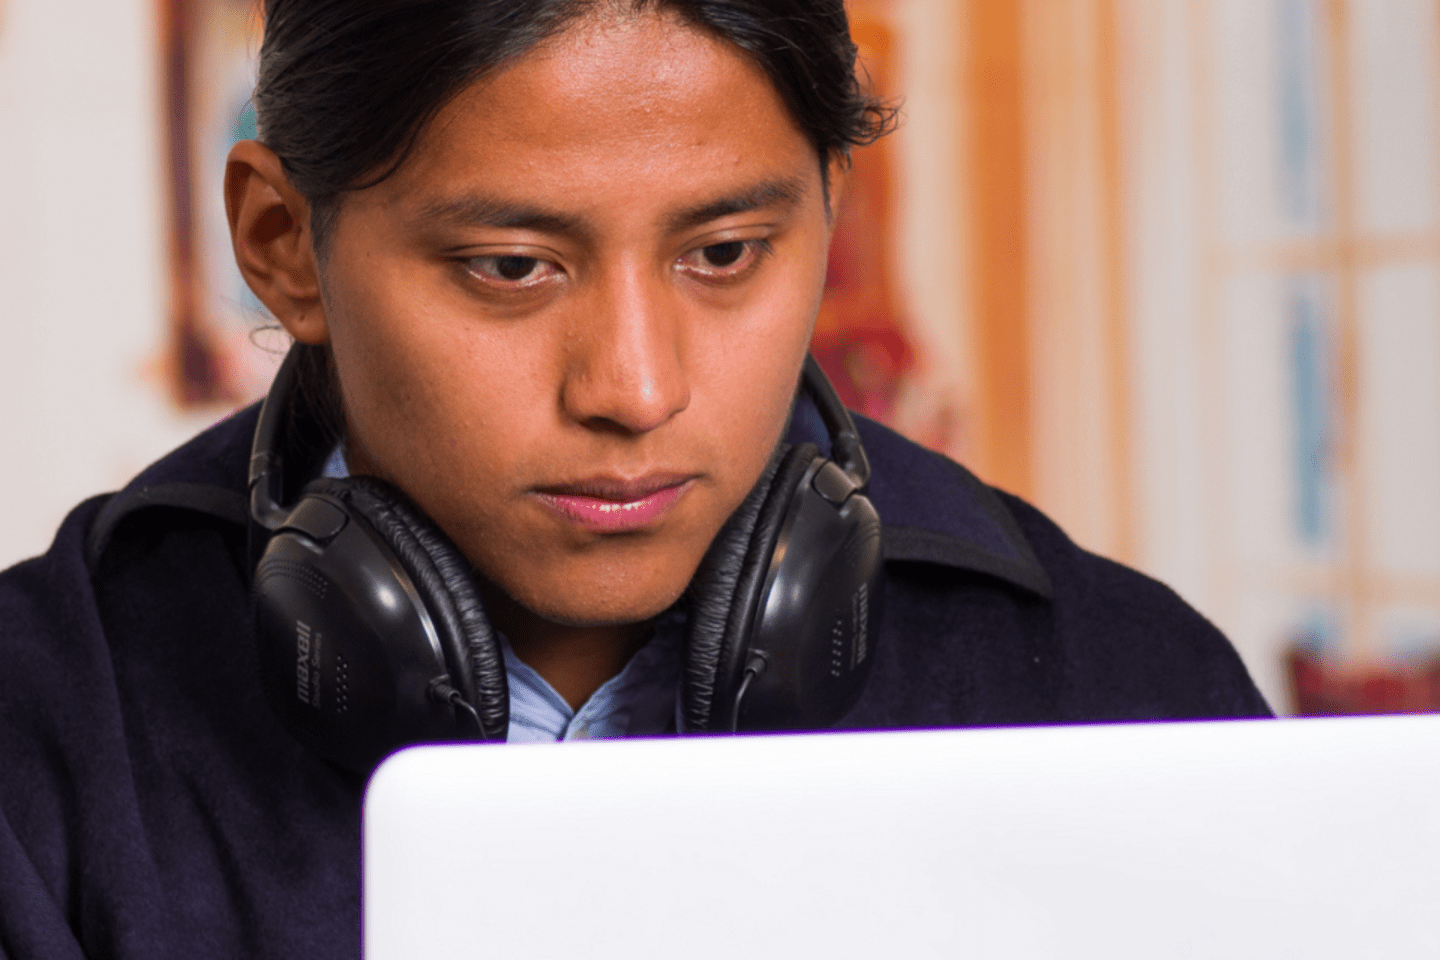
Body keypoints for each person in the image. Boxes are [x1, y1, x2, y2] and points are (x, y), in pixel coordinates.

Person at [0, 0, 1270, 956]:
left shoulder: (1135, 690)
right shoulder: (40, 730)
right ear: (283, 246)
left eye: (724, 252)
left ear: (829, 209)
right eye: (511, 266)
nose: (635, 387)